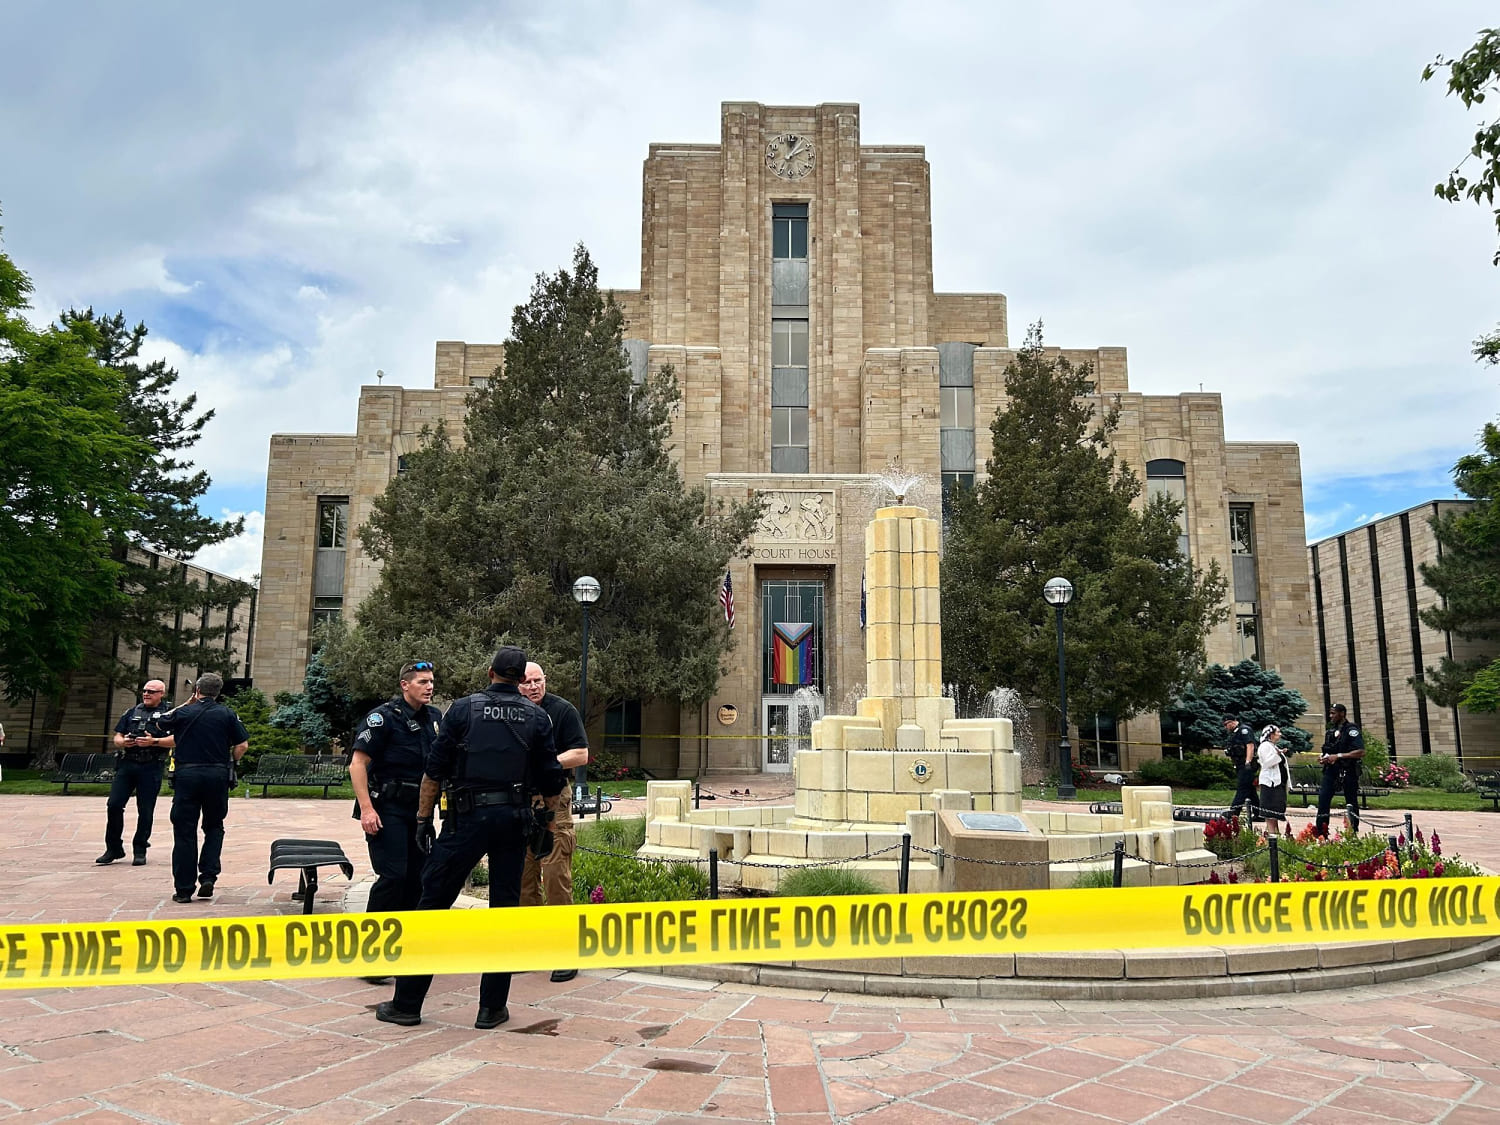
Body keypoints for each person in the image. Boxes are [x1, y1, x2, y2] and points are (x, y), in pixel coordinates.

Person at [376, 645, 564, 1031]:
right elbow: (551, 781)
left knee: (432, 906)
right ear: (519, 678)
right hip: (513, 821)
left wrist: (423, 819)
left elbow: (434, 770)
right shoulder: (537, 716)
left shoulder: (462, 710)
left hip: (466, 820)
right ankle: (491, 1008)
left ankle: (407, 1004)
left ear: (491, 672)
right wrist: (547, 829)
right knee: (504, 913)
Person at [348, 661, 443, 916]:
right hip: (388, 809)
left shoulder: (434, 717)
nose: (429, 687)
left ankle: (409, 932)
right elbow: (357, 764)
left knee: (418, 877)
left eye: (431, 682)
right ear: (405, 685)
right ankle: (374, 931)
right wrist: (367, 809)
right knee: (393, 876)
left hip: (420, 811)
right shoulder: (383, 718)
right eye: (423, 682)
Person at [518, 661, 590, 982]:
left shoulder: (562, 710)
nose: (534, 687)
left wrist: (545, 764)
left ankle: (565, 950)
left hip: (554, 799)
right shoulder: (510, 711)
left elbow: (581, 754)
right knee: (524, 876)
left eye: (538, 680)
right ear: (516, 684)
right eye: (527, 682)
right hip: (520, 799)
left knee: (556, 874)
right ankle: (531, 946)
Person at [156, 672, 249, 904]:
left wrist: (187, 703)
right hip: (217, 775)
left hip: (187, 775)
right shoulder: (227, 714)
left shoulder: (184, 712)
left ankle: (184, 889)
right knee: (214, 826)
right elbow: (242, 745)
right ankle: (208, 875)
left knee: (184, 831)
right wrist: (233, 762)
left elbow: (159, 722)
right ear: (218, 692)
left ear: (197, 690)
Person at [98, 679, 173, 866]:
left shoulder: (169, 714)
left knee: (145, 809)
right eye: (145, 691)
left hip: (151, 765)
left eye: (152, 691)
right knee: (114, 805)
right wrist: (123, 742)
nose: (146, 694)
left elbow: (176, 739)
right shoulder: (132, 712)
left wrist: (154, 742)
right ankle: (113, 848)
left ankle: (140, 848)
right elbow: (117, 735)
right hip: (128, 763)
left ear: (161, 694)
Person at [1315, 703, 1364, 838]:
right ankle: (1321, 832)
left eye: (1334, 713)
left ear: (1342, 713)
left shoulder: (1351, 730)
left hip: (1348, 770)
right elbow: (1328, 750)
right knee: (1323, 799)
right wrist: (1324, 758)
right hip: (1331, 771)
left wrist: (1339, 756)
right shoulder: (1331, 731)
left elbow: (1360, 751)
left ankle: (1352, 832)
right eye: (1330, 713)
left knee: (1351, 801)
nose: (1331, 716)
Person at [1223, 713, 1259, 822]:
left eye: (1226, 724)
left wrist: (1248, 761)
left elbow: (1250, 746)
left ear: (1232, 721)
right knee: (1250, 790)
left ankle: (1233, 814)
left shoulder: (1244, 730)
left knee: (1242, 788)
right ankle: (1259, 813)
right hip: (1240, 765)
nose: (1226, 727)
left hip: (1246, 765)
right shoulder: (1235, 733)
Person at [1255, 724, 1288, 837]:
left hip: (1277, 783)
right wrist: (1277, 755)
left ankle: (1275, 832)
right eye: (1278, 732)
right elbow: (1266, 763)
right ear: (1271, 734)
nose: (1280, 734)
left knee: (1276, 808)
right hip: (1270, 783)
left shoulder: (1273, 746)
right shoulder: (1265, 746)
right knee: (1270, 809)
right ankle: (1272, 834)